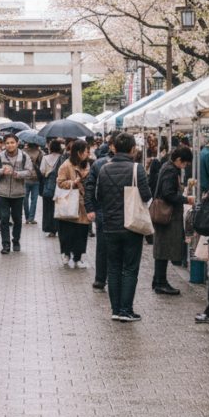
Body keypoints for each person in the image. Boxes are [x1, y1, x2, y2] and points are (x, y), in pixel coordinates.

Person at [89, 132, 153, 321]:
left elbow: (99, 195)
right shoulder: (137, 169)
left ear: (114, 147)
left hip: (110, 224)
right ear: (133, 149)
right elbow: (147, 195)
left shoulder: (104, 169)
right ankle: (126, 309)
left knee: (114, 268)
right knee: (131, 268)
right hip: (132, 224)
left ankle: (116, 310)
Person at [153, 146, 194, 295]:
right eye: (185, 163)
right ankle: (161, 282)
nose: (185, 166)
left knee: (161, 248)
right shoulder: (171, 170)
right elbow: (168, 194)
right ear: (178, 160)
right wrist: (186, 199)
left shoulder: (166, 166)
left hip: (164, 214)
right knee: (163, 249)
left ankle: (158, 280)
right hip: (167, 215)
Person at [0, 134, 32, 254]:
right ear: (4, 144)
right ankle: (6, 244)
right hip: (2, 193)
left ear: (17, 143)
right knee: (3, 219)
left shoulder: (24, 156)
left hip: (18, 194)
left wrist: (18, 174)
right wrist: (1, 171)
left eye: (12, 142)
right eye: (7, 143)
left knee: (17, 219)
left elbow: (29, 171)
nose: (10, 145)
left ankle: (16, 240)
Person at [56, 140, 91, 268]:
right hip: (69, 203)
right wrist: (73, 182)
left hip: (82, 203)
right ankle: (66, 254)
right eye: (86, 151)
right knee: (67, 230)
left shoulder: (88, 164)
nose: (88, 153)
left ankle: (78, 256)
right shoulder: (65, 165)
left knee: (81, 231)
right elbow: (60, 182)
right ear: (79, 152)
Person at [84, 142, 114, 291]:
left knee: (102, 245)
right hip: (111, 208)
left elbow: (89, 186)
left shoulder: (98, 163)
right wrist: (90, 207)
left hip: (102, 208)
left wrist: (90, 207)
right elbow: (90, 186)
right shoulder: (133, 165)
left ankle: (100, 279)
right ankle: (109, 277)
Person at [40, 139, 64, 238]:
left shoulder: (45, 158)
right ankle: (58, 227)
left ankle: (50, 229)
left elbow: (42, 170)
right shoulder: (62, 159)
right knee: (58, 207)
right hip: (59, 186)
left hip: (48, 186)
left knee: (48, 208)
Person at [23, 143, 42, 224]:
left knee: (25, 199)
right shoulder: (39, 153)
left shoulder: (23, 152)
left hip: (25, 178)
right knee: (34, 200)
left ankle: (27, 217)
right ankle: (31, 218)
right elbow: (41, 166)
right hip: (36, 178)